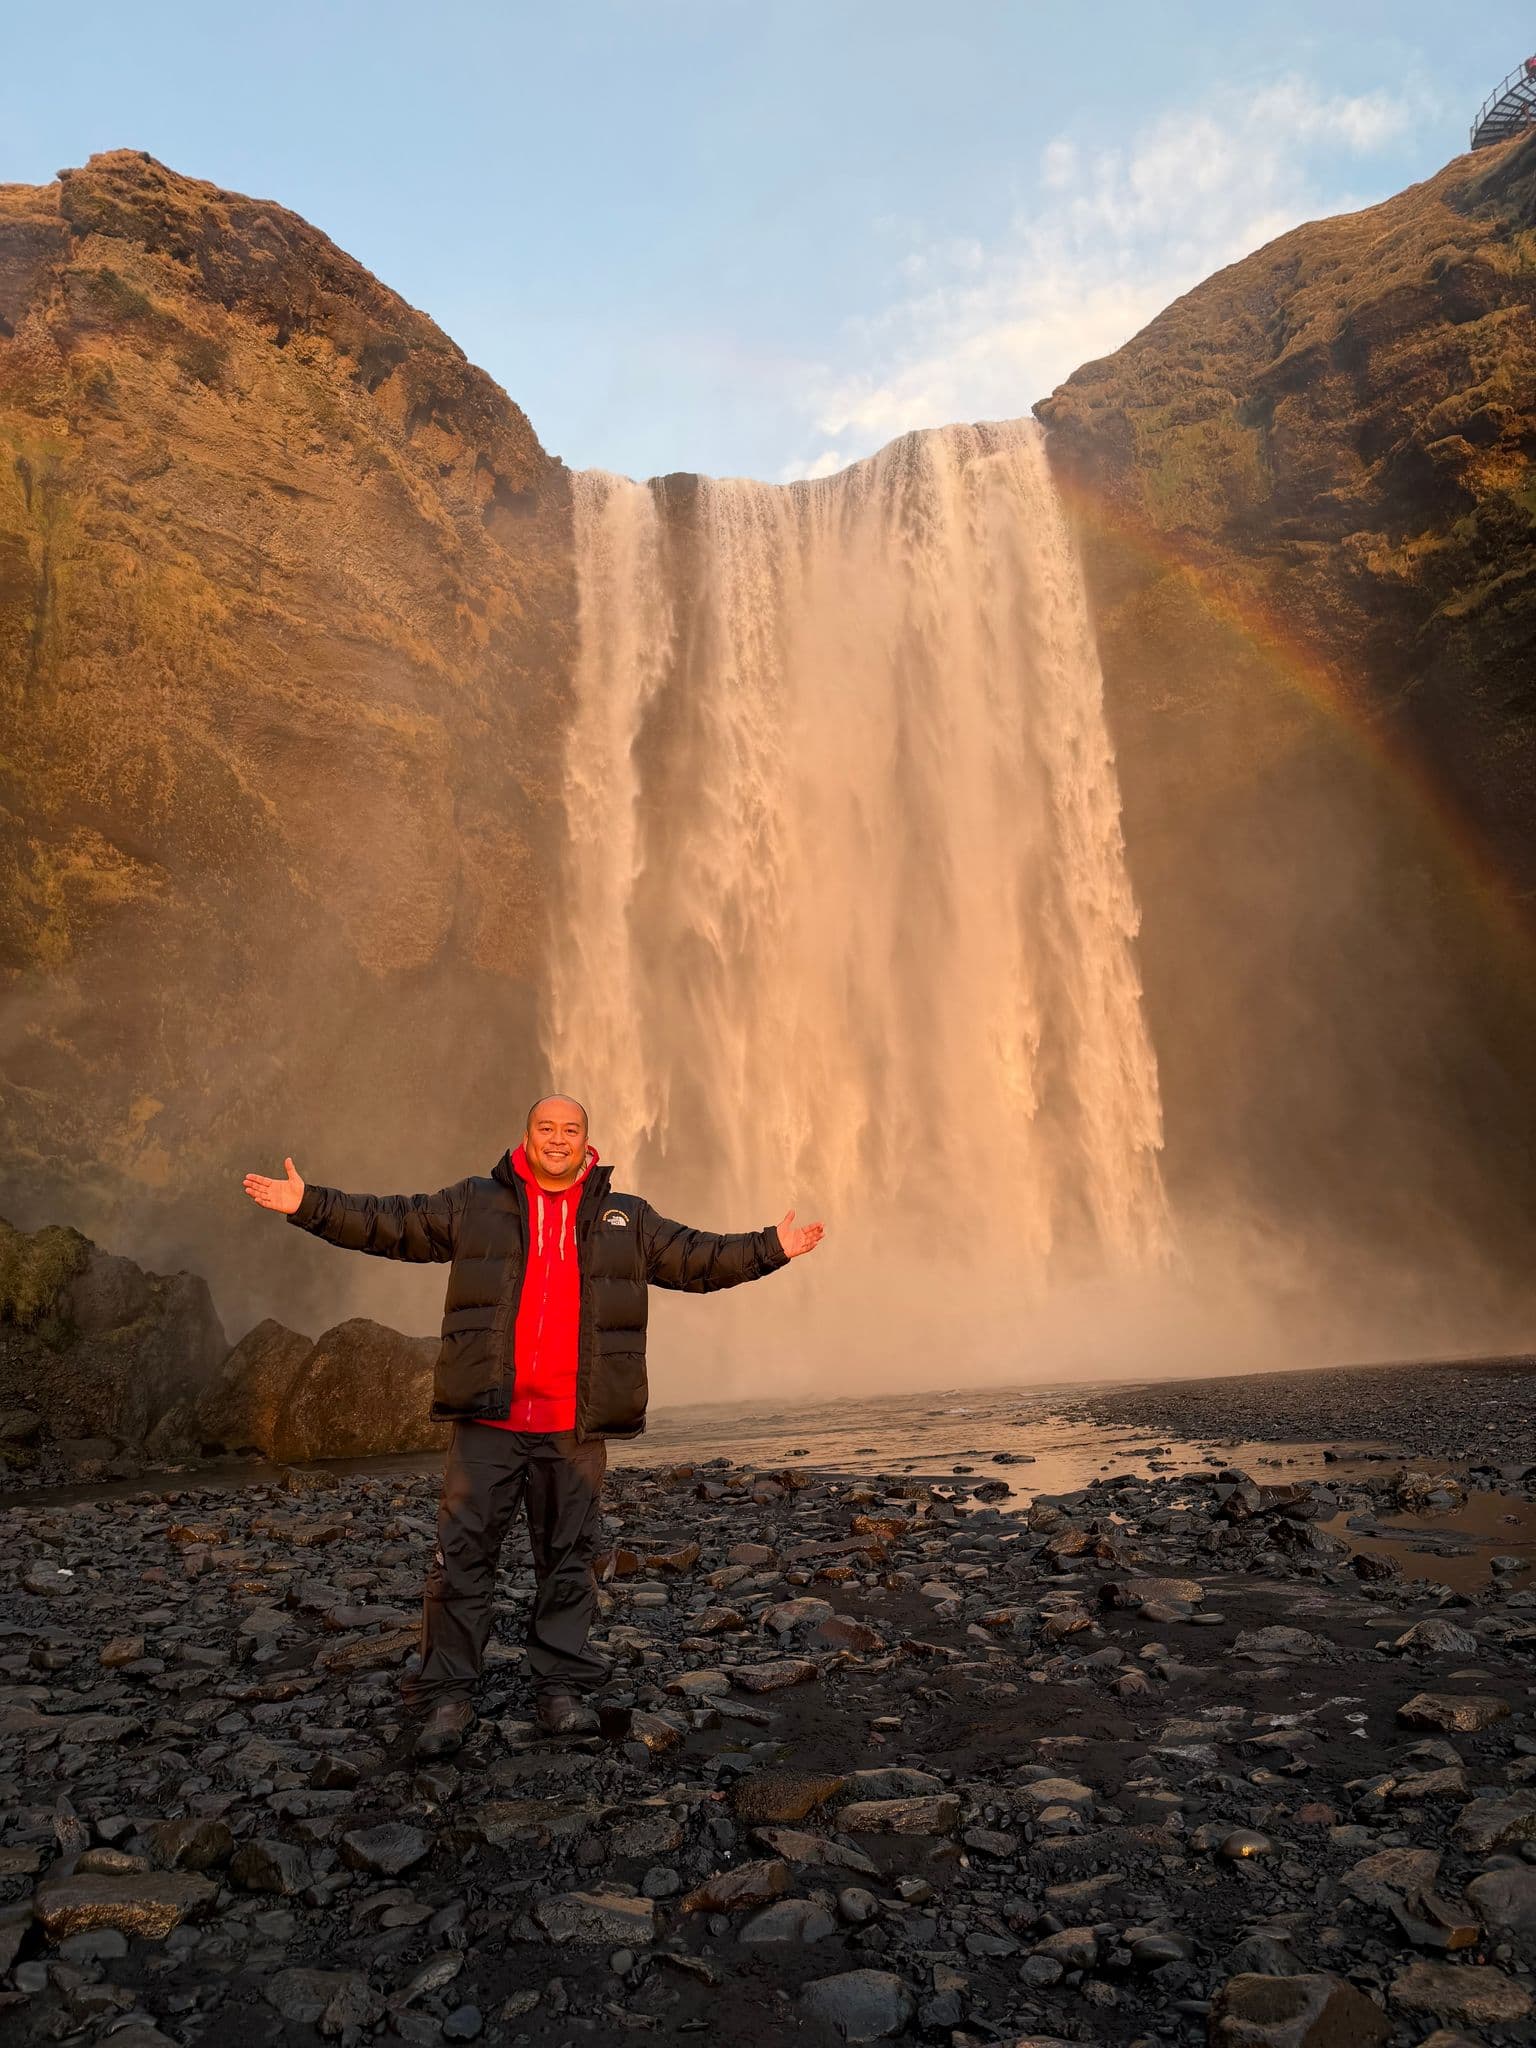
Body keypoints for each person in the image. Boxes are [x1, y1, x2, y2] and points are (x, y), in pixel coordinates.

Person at [242, 1097, 824, 1756]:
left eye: (569, 1130)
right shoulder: (474, 1203)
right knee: (461, 1559)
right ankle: (445, 1698)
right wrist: (308, 1204)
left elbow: (697, 1258)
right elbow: (390, 1223)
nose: (557, 1139)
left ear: (587, 1142)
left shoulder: (624, 1217)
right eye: (546, 1128)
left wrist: (771, 1247)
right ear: (526, 1137)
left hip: (573, 1426)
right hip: (488, 1417)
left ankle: (560, 1687)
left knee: (569, 1560)